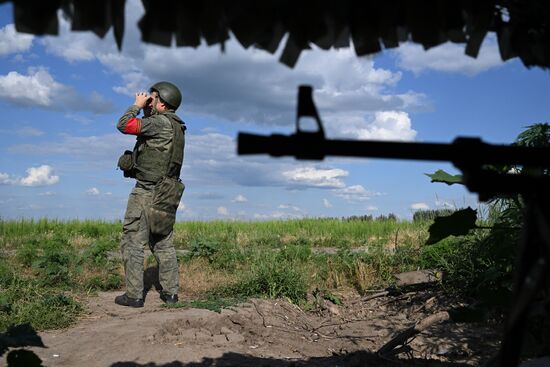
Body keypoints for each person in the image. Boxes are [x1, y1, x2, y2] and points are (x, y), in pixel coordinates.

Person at [115, 81, 186, 308]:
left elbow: (124, 125)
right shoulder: (176, 126)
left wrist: (136, 105)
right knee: (162, 242)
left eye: (152, 98)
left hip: (147, 191)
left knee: (133, 241)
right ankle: (170, 294)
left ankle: (134, 295)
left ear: (163, 104)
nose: (147, 100)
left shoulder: (158, 123)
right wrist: (147, 106)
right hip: (167, 192)